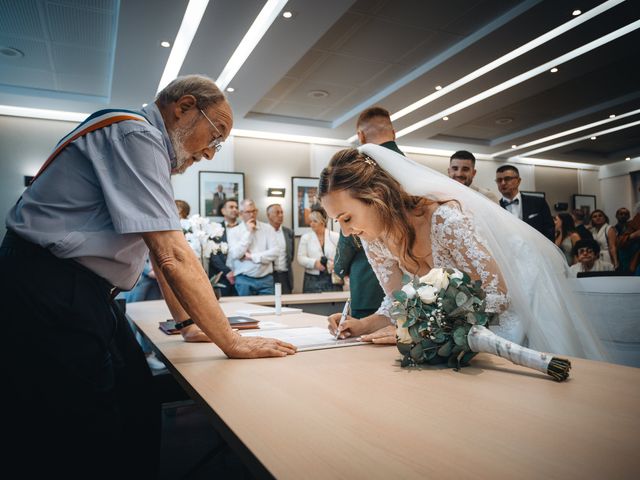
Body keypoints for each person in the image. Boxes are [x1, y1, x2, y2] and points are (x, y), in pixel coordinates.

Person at [0, 74, 295, 477]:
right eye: (216, 135)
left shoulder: (141, 143)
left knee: (134, 395)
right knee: (84, 423)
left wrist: (189, 323)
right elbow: (172, 252)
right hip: (49, 287)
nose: (211, 153)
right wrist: (232, 340)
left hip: (78, 290)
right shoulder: (135, 136)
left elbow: (158, 258)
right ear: (184, 107)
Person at [319, 144, 607, 363]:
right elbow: (399, 303)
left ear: (377, 197)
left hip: (507, 318)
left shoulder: (445, 220)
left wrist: (422, 331)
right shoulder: (374, 239)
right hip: (456, 330)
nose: (345, 232)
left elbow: (496, 297)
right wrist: (361, 325)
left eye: (347, 218)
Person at [227, 199, 281, 296]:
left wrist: (251, 257)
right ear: (241, 213)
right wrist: (248, 232)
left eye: (254, 211)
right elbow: (235, 254)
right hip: (244, 279)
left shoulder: (268, 228)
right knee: (246, 310)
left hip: (266, 279)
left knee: (269, 310)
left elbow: (276, 252)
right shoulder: (234, 231)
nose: (251, 215)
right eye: (248, 212)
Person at [496, 165, 555, 241]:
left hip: (537, 250)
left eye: (507, 179)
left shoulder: (538, 202)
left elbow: (549, 229)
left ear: (518, 181)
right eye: (499, 180)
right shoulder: (496, 206)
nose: (503, 183)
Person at [333, 232, 385, 318]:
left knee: (363, 328)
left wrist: (341, 272)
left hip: (364, 289)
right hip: (396, 290)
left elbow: (341, 262)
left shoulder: (350, 222)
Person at [297, 209, 342, 293]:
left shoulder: (335, 236)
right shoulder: (306, 238)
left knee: (334, 304)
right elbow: (300, 258)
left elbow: (342, 256)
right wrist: (314, 263)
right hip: (312, 279)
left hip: (332, 278)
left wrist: (335, 264)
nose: (311, 224)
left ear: (322, 222)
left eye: (315, 221)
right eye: (310, 221)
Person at [209, 198, 239, 296]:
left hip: (241, 275)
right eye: (231, 207)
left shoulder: (244, 229)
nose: (235, 209)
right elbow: (213, 255)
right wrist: (227, 272)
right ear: (223, 211)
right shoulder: (215, 229)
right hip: (221, 276)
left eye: (236, 207)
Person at [267, 203, 295, 294]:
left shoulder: (289, 232)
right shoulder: (263, 232)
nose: (281, 215)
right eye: (277, 213)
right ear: (269, 215)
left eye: (282, 212)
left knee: (286, 305)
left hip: (285, 275)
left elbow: (291, 255)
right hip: (269, 276)